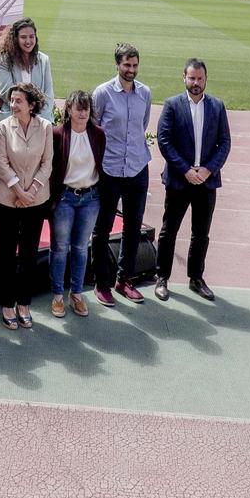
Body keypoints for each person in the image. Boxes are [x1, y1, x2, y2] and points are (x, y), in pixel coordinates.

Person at [154, 58, 230, 302]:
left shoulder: (217, 106)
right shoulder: (173, 105)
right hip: (179, 179)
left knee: (201, 234)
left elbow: (224, 142)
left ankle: (196, 278)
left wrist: (208, 170)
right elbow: (164, 139)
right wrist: (186, 170)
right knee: (169, 231)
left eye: (199, 78)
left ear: (206, 79)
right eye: (191, 78)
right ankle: (162, 277)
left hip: (206, 182)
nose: (195, 83)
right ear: (183, 78)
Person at [92, 42, 153, 308]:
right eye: (127, 65)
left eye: (135, 65)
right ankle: (101, 283)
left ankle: (124, 279)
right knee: (103, 228)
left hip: (138, 168)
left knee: (133, 226)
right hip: (109, 170)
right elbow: (94, 129)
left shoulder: (145, 93)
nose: (131, 70)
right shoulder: (103, 93)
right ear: (117, 64)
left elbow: (142, 126)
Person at [0, 83, 53, 329]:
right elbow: (1, 162)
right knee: (7, 253)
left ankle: (24, 303)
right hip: (7, 199)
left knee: (28, 254)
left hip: (36, 200)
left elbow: (47, 162)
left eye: (19, 101)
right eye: (12, 100)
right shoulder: (3, 127)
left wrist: (32, 192)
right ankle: (7, 304)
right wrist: (19, 190)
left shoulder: (46, 127)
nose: (13, 105)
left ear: (32, 104)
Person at [47, 89, 105, 317]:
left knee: (81, 248)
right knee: (60, 248)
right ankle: (58, 296)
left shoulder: (98, 134)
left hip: (90, 198)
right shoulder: (57, 134)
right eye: (78, 108)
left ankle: (77, 294)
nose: (82, 113)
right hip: (65, 198)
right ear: (69, 109)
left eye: (86, 108)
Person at [0, 16, 54, 116]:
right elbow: (7, 93)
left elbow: (49, 94)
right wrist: (26, 113)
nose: (28, 41)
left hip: (39, 116)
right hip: (12, 115)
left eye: (31, 36)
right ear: (15, 39)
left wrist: (40, 119)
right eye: (23, 37)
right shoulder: (4, 61)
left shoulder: (44, 60)